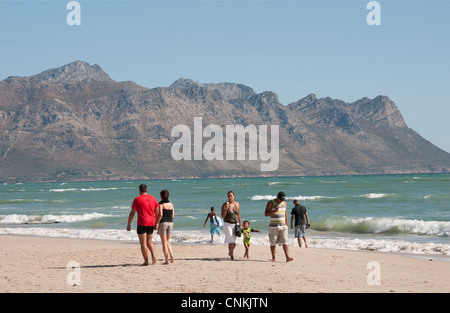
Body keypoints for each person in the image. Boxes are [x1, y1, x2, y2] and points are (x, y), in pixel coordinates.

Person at [127, 184, 159, 266]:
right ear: (146, 190)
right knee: (149, 241)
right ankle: (153, 255)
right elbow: (157, 212)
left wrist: (129, 224)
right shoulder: (153, 198)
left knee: (143, 243)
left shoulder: (137, 199)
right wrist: (156, 222)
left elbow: (132, 213)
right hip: (151, 222)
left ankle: (146, 261)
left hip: (142, 222)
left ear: (139, 190)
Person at [264, 191, 294, 262]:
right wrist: (274, 211)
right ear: (277, 197)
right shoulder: (271, 203)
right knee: (273, 242)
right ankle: (273, 258)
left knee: (285, 241)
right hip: (273, 226)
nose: (281, 201)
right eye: (280, 199)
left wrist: (287, 225)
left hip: (283, 226)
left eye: (283, 199)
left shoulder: (284, 203)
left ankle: (287, 257)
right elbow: (266, 214)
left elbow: (285, 214)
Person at [155, 189, 175, 265]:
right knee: (167, 241)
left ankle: (166, 260)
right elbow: (173, 215)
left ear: (161, 196)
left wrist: (157, 223)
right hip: (171, 223)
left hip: (163, 223)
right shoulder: (171, 204)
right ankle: (171, 254)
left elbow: (160, 214)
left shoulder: (160, 204)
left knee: (164, 243)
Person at [221, 190, 241, 260]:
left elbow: (238, 215)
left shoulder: (237, 204)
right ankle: (232, 256)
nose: (230, 197)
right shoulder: (225, 205)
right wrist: (225, 209)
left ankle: (230, 252)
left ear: (234, 196)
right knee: (231, 240)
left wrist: (240, 225)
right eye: (228, 196)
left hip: (236, 224)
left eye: (231, 196)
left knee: (235, 242)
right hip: (228, 224)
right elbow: (223, 216)